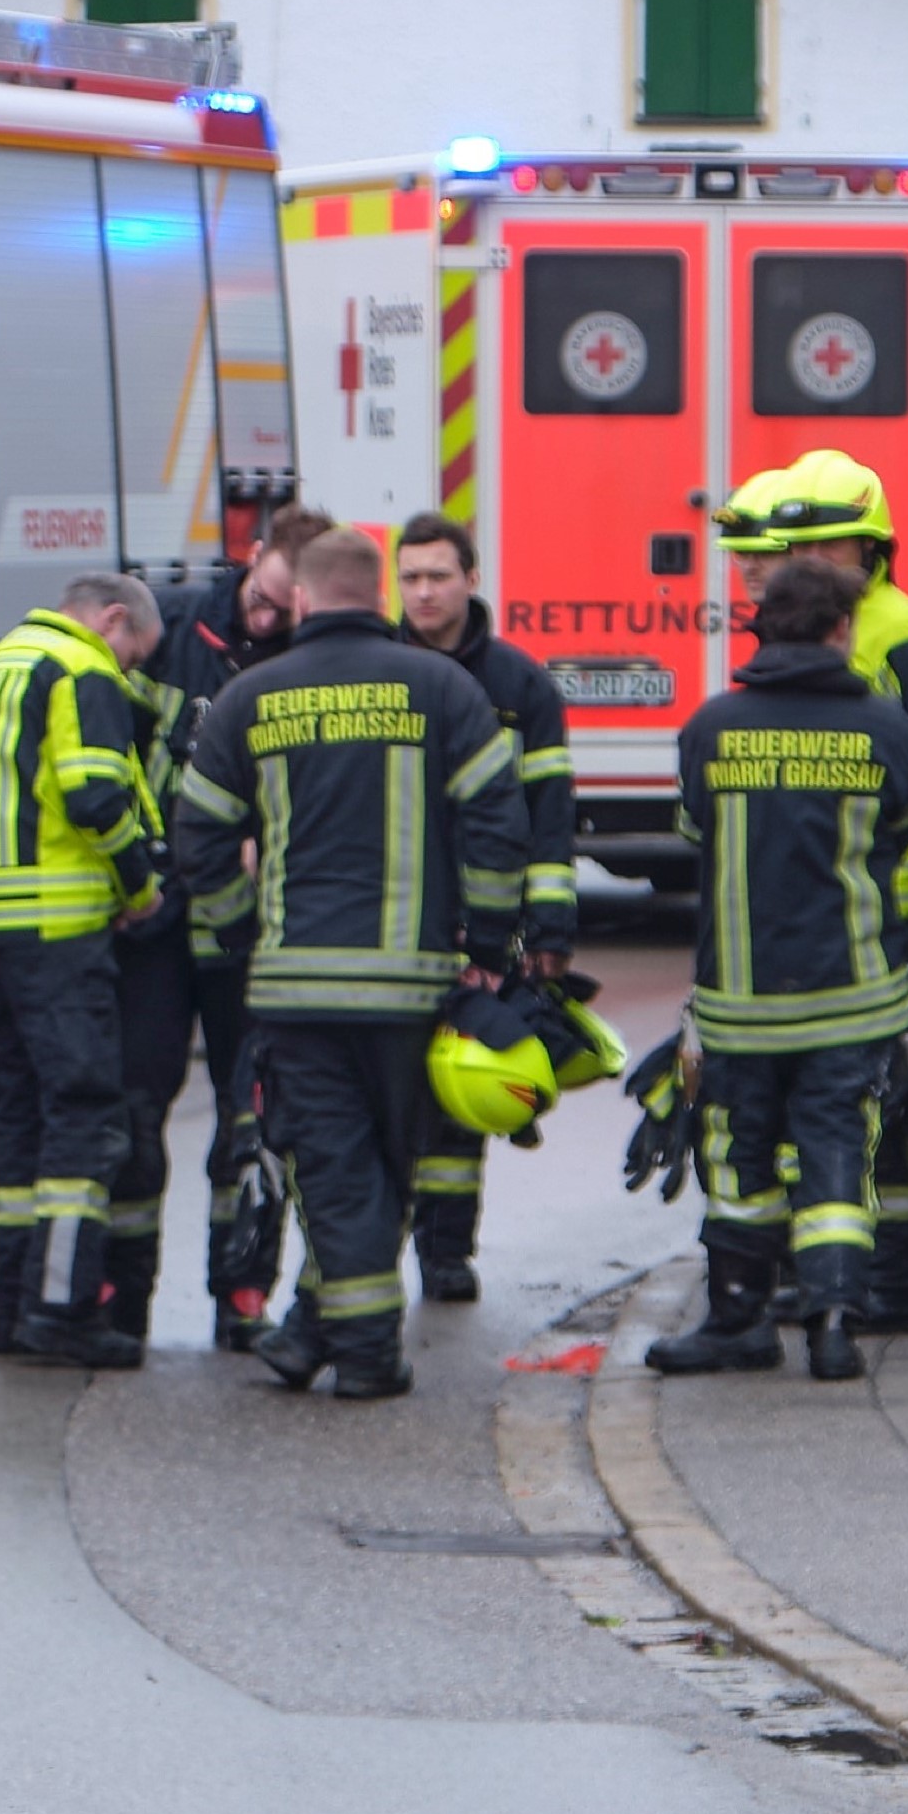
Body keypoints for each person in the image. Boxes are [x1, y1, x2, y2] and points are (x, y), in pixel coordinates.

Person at [164, 520, 527, 1399]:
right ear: (382, 594)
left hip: (295, 990)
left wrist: (242, 931)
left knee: (334, 1167)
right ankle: (348, 1347)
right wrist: (485, 945)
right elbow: (498, 823)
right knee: (384, 1170)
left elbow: (198, 834)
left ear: (299, 597)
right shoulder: (444, 687)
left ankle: (327, 1342)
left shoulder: (253, 696)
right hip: (413, 986)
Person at [641, 552, 908, 1381]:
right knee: (838, 1155)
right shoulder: (885, 725)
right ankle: (834, 1326)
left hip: (742, 1001)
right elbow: (905, 828)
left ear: (763, 627)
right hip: (854, 999)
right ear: (843, 630)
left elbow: (694, 835)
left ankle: (738, 1321)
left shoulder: (710, 726)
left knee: (742, 1161)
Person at [713, 449, 908, 1326]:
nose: (806, 565)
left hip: (876, 915)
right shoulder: (833, 627)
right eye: (800, 549)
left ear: (869, 552)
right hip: (832, 912)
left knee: (890, 1098)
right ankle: (826, 1274)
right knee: (824, 1105)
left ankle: (904, 1280)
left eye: (827, 550)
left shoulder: (894, 632)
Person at [0, 572, 163, 1365]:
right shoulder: (81, 670)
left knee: (17, 1123)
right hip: (59, 927)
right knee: (85, 1115)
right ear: (110, 620)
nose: (129, 672)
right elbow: (96, 796)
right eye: (134, 654)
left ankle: (10, 1308)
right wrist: (139, 887)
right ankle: (64, 1310)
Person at [98, 525, 296, 1351]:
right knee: (136, 1112)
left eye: (285, 610)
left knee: (251, 1118)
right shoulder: (172, 627)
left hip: (247, 930)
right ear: (251, 560)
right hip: (157, 918)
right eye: (261, 595)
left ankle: (242, 1294)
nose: (265, 617)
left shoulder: (310, 660)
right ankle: (119, 1299)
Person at [381, 513, 574, 1305]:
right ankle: (369, 1255)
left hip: (484, 925)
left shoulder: (518, 684)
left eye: (439, 576)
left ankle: (448, 1253)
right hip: (393, 918)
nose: (424, 592)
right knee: (386, 1093)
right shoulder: (375, 667)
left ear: (471, 577)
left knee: (461, 1094)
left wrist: (548, 928)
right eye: (412, 577)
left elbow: (550, 808)